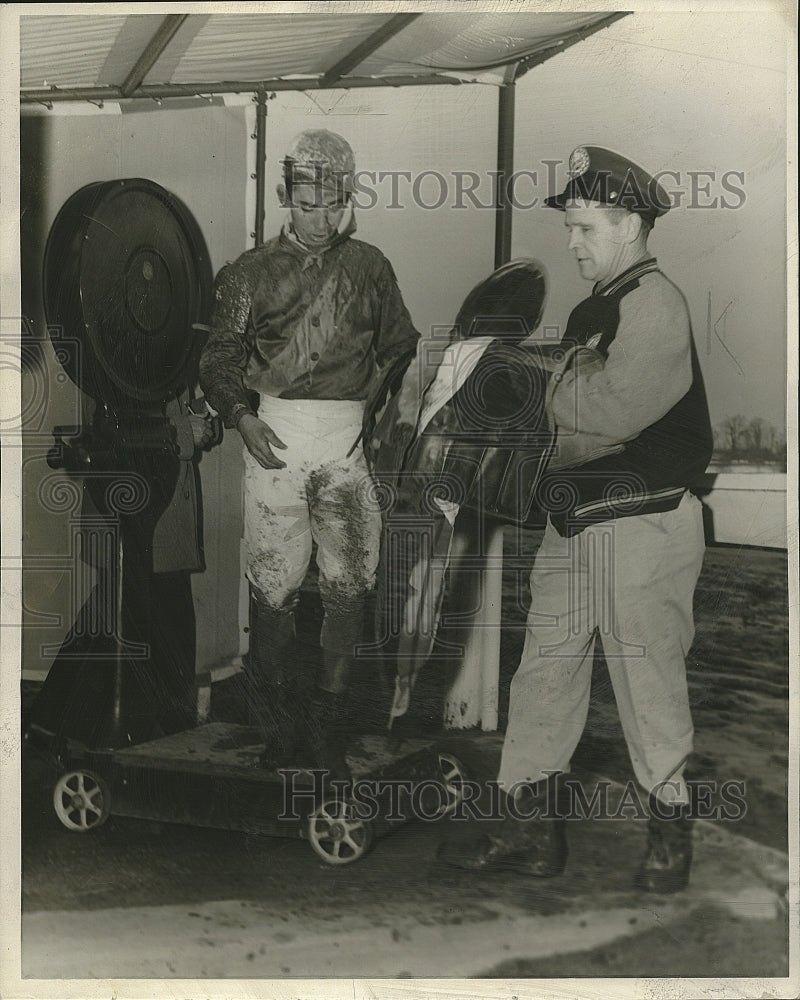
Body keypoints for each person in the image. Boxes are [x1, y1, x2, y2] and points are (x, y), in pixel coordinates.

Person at [439, 146, 713, 894]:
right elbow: (566, 417)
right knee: (543, 676)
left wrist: (511, 384)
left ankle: (668, 837)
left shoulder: (655, 302)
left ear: (629, 225)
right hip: (577, 521)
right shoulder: (597, 307)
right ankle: (531, 831)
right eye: (570, 227)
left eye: (586, 227)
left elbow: (611, 411)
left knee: (646, 681)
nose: (573, 243)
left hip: (643, 523)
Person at [199, 129, 420, 780]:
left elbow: (402, 348)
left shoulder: (371, 267)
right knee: (273, 590)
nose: (319, 216)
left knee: (351, 586)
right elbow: (219, 359)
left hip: (344, 447)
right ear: (283, 195)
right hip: (274, 443)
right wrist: (240, 417)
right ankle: (282, 727)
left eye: (333, 202)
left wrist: (382, 420)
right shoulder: (248, 274)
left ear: (349, 198)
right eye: (306, 199)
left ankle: (328, 726)